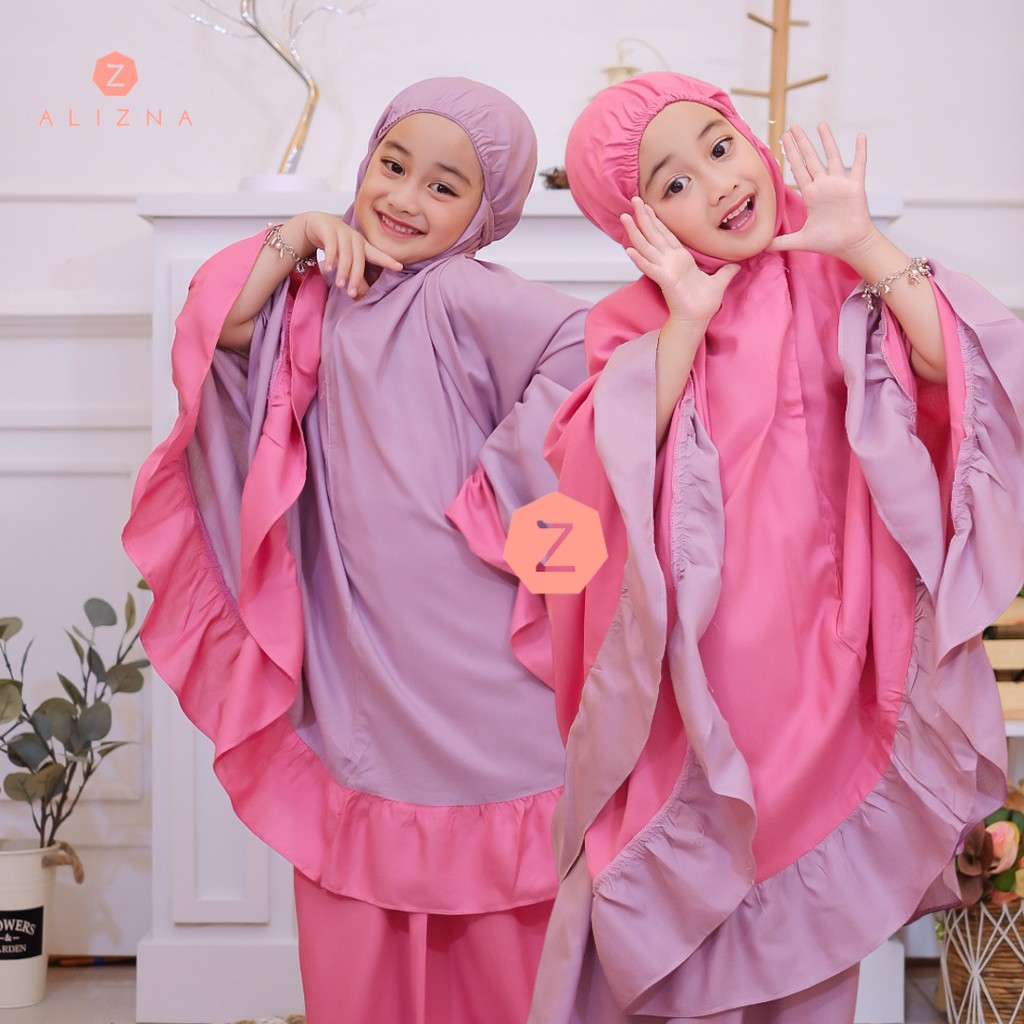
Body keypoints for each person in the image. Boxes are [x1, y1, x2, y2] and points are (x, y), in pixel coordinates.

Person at [525, 71, 1024, 1023]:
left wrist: (864, 242)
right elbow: (595, 466)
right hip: (710, 686)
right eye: (673, 184)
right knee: (700, 916)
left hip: (840, 669)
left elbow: (960, 369)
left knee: (813, 926)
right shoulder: (636, 321)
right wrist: (686, 321)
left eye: (719, 147)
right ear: (641, 226)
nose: (718, 185)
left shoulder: (833, 270)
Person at [122, 77, 588, 1024]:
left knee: (503, 900)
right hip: (363, 654)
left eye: (444, 186)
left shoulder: (459, 291)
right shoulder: (320, 289)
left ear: (484, 213)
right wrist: (295, 234)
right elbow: (217, 325)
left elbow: (586, 346)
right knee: (360, 861)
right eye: (393, 163)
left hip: (473, 652)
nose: (405, 198)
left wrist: (498, 490)